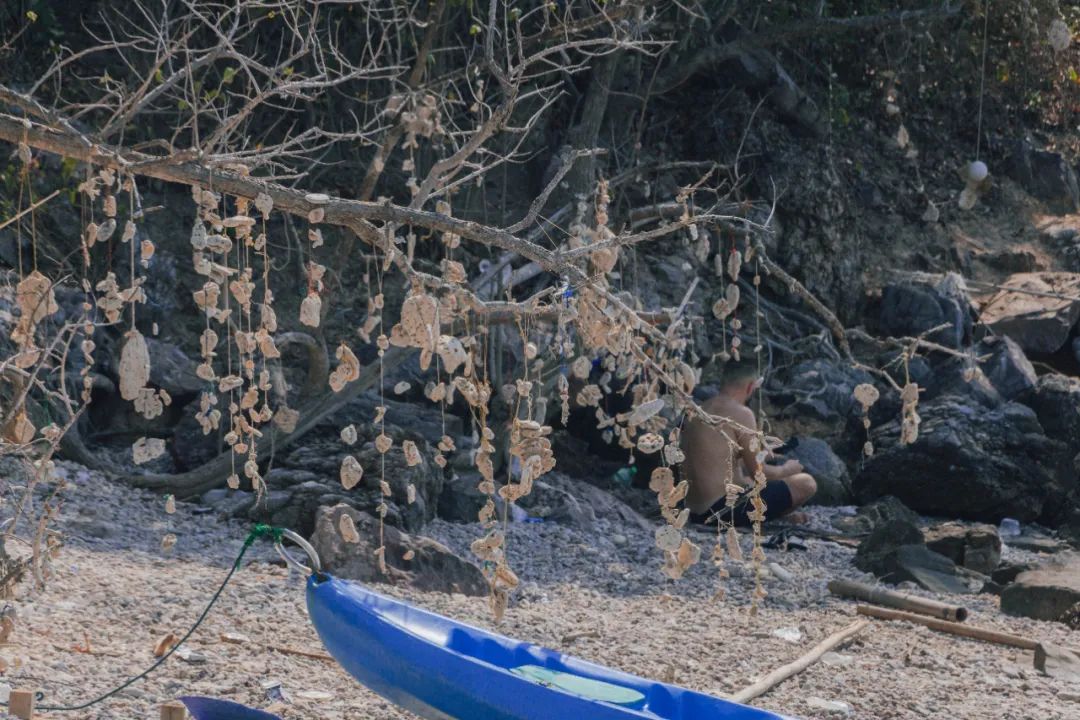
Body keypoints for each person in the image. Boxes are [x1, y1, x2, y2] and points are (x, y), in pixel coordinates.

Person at [680, 358, 817, 526]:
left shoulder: (698, 411)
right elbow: (760, 475)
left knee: (746, 481)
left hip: (694, 512)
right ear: (751, 386)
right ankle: (771, 517)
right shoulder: (741, 413)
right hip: (721, 511)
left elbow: (717, 462)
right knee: (806, 482)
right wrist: (787, 469)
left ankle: (776, 516)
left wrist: (762, 455)